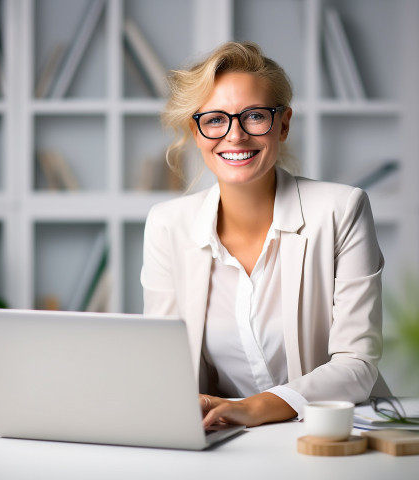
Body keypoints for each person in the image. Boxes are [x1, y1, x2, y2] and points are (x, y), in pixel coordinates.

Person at [141, 41, 388, 428]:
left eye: (254, 116)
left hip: (331, 433)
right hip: (221, 438)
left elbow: (356, 365)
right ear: (196, 130)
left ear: (283, 124)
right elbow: (163, 365)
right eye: (215, 119)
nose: (235, 135)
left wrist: (253, 408)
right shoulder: (167, 224)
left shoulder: (342, 210)